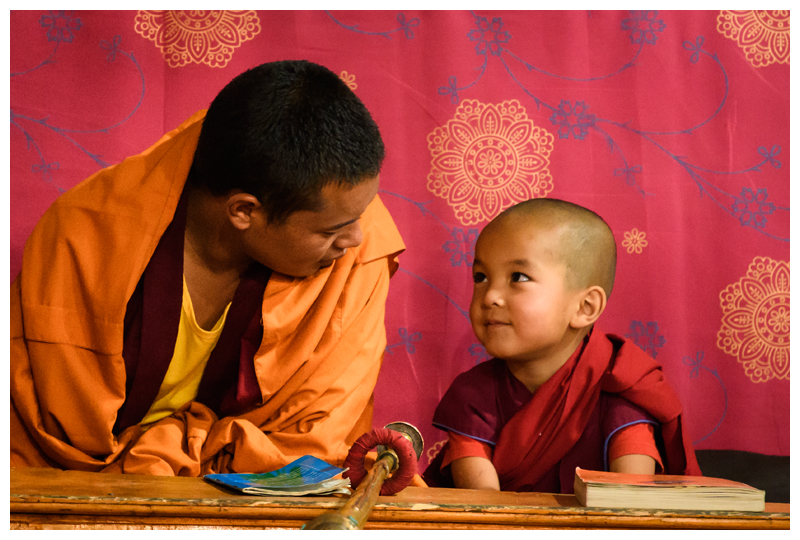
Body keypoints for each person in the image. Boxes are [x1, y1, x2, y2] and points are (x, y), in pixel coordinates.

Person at [10, 60, 405, 476]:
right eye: (332, 231)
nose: (355, 238)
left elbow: (312, 443)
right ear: (244, 211)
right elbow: (51, 421)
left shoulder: (356, 244)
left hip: (250, 493)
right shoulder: (87, 238)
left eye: (358, 218)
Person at [423, 198, 700, 493]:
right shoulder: (472, 395)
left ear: (585, 307)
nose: (490, 296)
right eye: (481, 277)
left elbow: (629, 502)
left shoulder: (622, 386)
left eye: (518, 277)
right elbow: (484, 505)